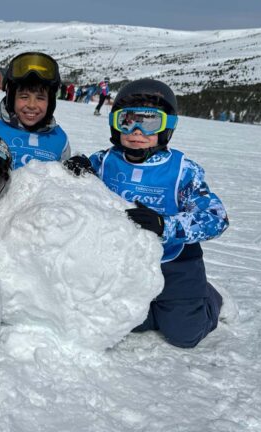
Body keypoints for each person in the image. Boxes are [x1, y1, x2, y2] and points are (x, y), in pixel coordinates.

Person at [63, 78, 230, 348]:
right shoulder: (104, 161)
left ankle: (208, 297)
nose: (137, 131)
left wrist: (166, 225)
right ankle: (156, 309)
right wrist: (76, 168)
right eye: (127, 121)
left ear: (167, 128)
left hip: (175, 265)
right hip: (123, 263)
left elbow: (216, 218)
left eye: (150, 122)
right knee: (123, 322)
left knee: (184, 335)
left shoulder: (182, 170)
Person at [0, 52, 70, 169]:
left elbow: (65, 183)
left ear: (50, 103)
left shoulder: (59, 140)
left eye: (40, 98)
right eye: (24, 97)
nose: (31, 105)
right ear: (11, 99)